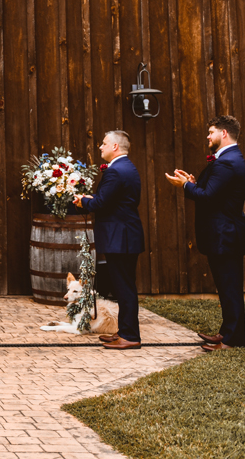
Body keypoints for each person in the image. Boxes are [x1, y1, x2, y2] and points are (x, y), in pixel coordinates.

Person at [165, 115, 245, 351]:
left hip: (225, 234)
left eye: (211, 132)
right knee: (225, 287)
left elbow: (208, 197)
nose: (208, 136)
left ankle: (233, 339)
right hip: (224, 234)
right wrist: (193, 183)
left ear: (224, 133)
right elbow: (214, 193)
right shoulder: (229, 159)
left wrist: (184, 186)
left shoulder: (227, 162)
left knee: (230, 288)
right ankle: (226, 332)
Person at [74, 130, 144, 350]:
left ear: (115, 147)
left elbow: (100, 204)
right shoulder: (128, 168)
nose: (100, 147)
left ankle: (131, 336)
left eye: (104, 143)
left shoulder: (116, 171)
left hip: (120, 238)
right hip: (126, 235)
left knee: (124, 288)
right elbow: (114, 200)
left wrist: (83, 201)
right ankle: (124, 331)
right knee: (124, 286)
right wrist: (93, 199)